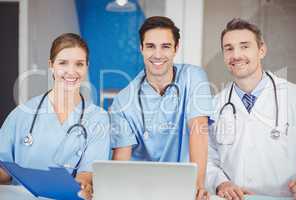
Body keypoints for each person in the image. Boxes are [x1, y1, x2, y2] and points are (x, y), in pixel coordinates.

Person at [109, 16, 213, 199]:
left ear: (176, 48)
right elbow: (121, 164)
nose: (157, 54)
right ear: (141, 48)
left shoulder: (193, 77)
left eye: (165, 46)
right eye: (150, 46)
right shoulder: (123, 101)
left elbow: (199, 130)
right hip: (140, 190)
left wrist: (197, 187)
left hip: (184, 187)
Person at [0, 33, 110, 198]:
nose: (71, 71)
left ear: (87, 66)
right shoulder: (21, 114)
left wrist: (82, 186)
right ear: (51, 65)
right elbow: (5, 172)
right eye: (63, 63)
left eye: (79, 64)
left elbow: (87, 174)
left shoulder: (98, 118)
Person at [206, 18, 296, 199]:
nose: (236, 55)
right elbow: (207, 157)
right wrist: (221, 183)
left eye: (244, 46)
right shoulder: (214, 105)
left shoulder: (295, 96)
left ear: (261, 50)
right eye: (229, 48)